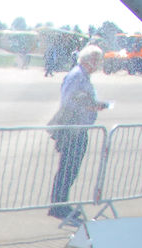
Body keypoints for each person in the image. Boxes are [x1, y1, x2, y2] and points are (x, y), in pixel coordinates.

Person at [47, 45, 109, 221]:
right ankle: (57, 206)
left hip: (79, 128)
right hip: (72, 128)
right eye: (95, 59)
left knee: (71, 169)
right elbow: (68, 100)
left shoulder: (83, 76)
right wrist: (89, 105)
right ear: (86, 59)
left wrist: (93, 104)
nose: (97, 64)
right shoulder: (77, 75)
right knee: (67, 168)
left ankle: (61, 203)